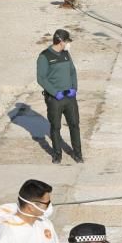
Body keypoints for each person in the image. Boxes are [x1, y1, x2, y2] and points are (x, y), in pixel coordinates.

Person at [37, 28, 82, 163]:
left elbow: (73, 72)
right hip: (55, 99)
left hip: (70, 97)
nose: (69, 44)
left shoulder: (66, 54)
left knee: (74, 124)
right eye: (67, 41)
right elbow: (41, 78)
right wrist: (55, 92)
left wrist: (74, 88)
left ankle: (78, 154)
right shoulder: (44, 57)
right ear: (60, 41)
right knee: (56, 127)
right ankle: (57, 155)